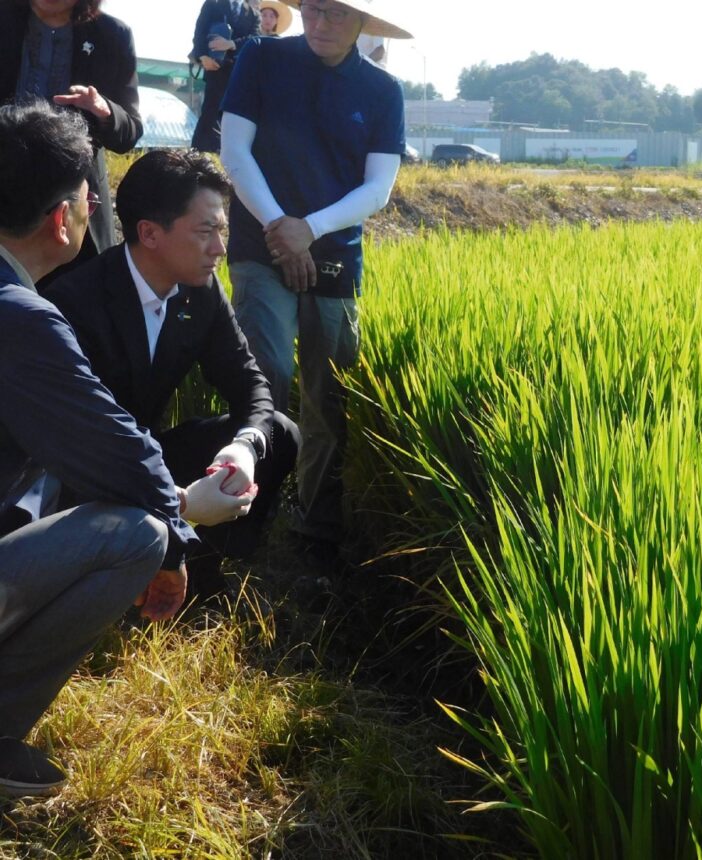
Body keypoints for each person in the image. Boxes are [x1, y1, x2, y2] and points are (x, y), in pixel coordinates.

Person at [0, 102, 252, 799]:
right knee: (134, 534)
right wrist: (176, 536)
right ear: (63, 218)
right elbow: (117, 451)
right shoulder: (22, 316)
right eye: (88, 196)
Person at [45, 150, 301, 598]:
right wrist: (176, 499)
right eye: (205, 232)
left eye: (221, 230)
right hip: (86, 473)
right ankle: (138, 571)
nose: (220, 248)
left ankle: (205, 572)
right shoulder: (77, 304)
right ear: (149, 233)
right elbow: (92, 441)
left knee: (279, 433)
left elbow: (249, 383)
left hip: (147, 456)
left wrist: (243, 448)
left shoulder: (200, 292)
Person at [219, 0, 409, 562]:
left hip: (334, 254)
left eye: (340, 16)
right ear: (301, 10)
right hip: (260, 242)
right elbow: (235, 153)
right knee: (266, 375)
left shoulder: (381, 90)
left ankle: (316, 526)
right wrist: (281, 228)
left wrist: (310, 229)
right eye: (316, 11)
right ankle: (244, 514)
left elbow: (377, 189)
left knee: (329, 394)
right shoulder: (260, 58)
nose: (324, 25)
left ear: (363, 26)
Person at [0, 0, 143, 284]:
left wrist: (104, 110)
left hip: (73, 201)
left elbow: (131, 130)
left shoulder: (112, 35)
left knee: (73, 307)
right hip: (6, 186)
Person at [188, 0, 260, 153]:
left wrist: (232, 44)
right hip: (215, 68)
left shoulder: (253, 13)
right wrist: (202, 56)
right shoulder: (213, 4)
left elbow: (255, 38)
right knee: (211, 111)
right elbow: (199, 32)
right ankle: (200, 152)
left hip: (241, 72)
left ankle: (228, 151)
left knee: (235, 115)